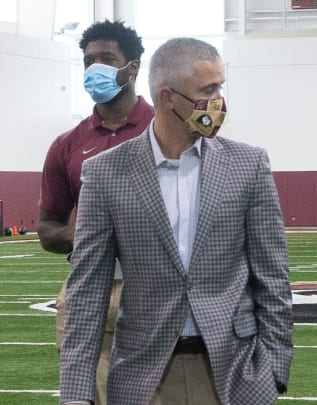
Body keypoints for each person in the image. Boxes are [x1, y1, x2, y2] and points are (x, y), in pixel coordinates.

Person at [59, 37, 293, 405]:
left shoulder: (249, 165)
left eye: (220, 87)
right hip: (142, 377)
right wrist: (76, 394)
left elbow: (273, 277)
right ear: (167, 98)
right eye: (208, 89)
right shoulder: (104, 173)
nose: (218, 101)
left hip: (234, 374)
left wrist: (274, 367)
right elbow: (87, 290)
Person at [37, 20, 153, 405]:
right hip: (87, 283)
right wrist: (92, 229)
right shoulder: (67, 144)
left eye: (106, 59)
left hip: (155, 284)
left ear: (132, 67)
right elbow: (47, 231)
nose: (94, 68)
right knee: (89, 395)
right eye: (88, 60)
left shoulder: (167, 131)